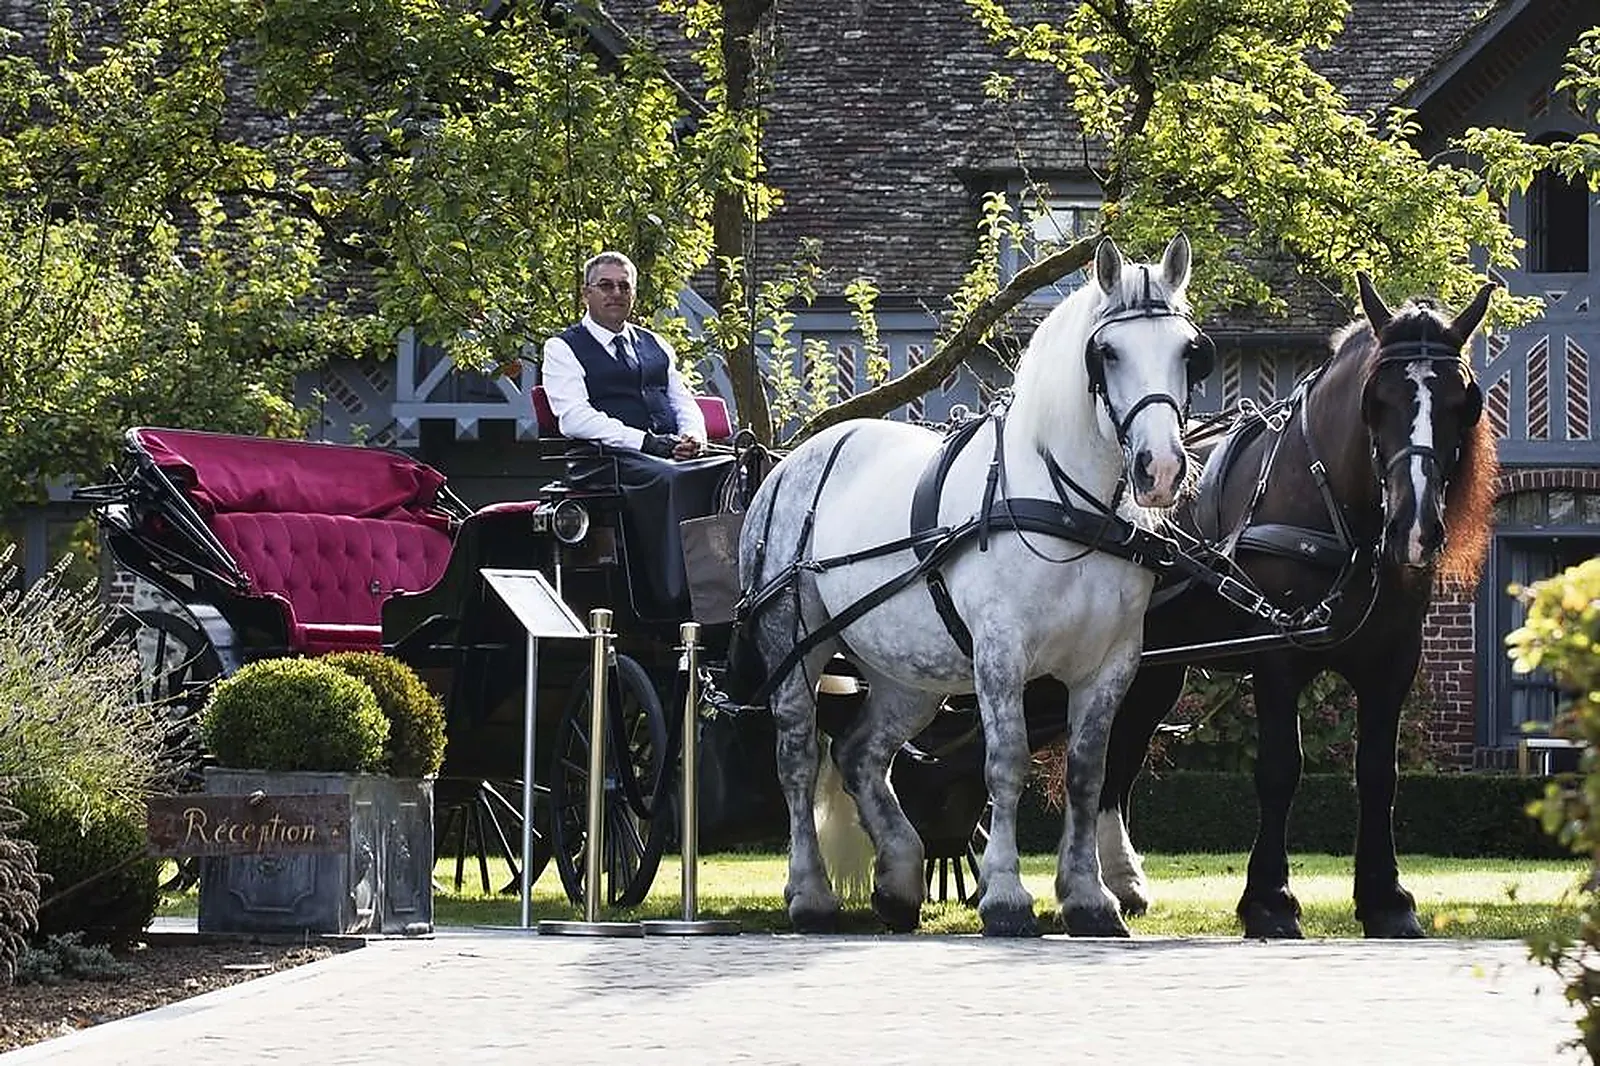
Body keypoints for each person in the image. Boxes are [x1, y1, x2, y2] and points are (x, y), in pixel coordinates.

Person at [541, 250, 706, 459]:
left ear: (633, 295)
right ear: (586, 294)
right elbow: (574, 418)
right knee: (685, 476)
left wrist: (691, 436)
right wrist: (645, 442)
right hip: (609, 460)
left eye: (624, 286)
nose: (617, 293)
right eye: (606, 285)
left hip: (671, 457)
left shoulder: (656, 343)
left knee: (734, 469)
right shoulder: (562, 348)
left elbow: (683, 403)